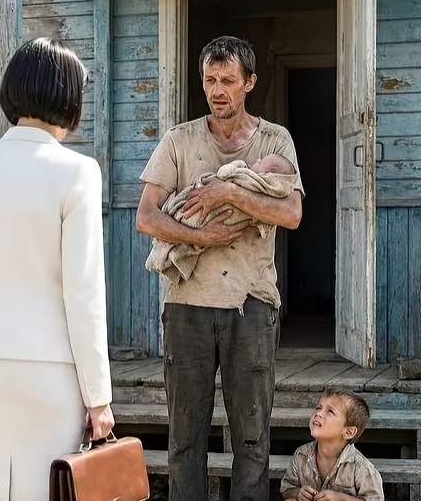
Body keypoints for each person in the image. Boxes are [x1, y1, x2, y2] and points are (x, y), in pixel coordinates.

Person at [136, 35, 304, 501]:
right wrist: (202, 237)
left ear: (249, 82)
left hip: (252, 305)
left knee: (252, 439)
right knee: (185, 439)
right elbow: (146, 216)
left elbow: (291, 213)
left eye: (228, 80)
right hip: (187, 306)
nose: (217, 89)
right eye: (210, 79)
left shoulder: (275, 140)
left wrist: (229, 192)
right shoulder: (179, 140)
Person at [0, 37, 114, 501]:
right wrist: (98, 395)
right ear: (68, 97)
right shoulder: (77, 171)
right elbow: (83, 293)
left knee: (14, 491)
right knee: (51, 492)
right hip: (50, 368)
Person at [281, 388, 384, 501]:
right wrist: (298, 493)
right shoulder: (302, 455)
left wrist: (342, 499)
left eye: (330, 411)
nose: (318, 413)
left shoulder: (362, 469)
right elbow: (286, 490)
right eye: (318, 407)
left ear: (348, 432)